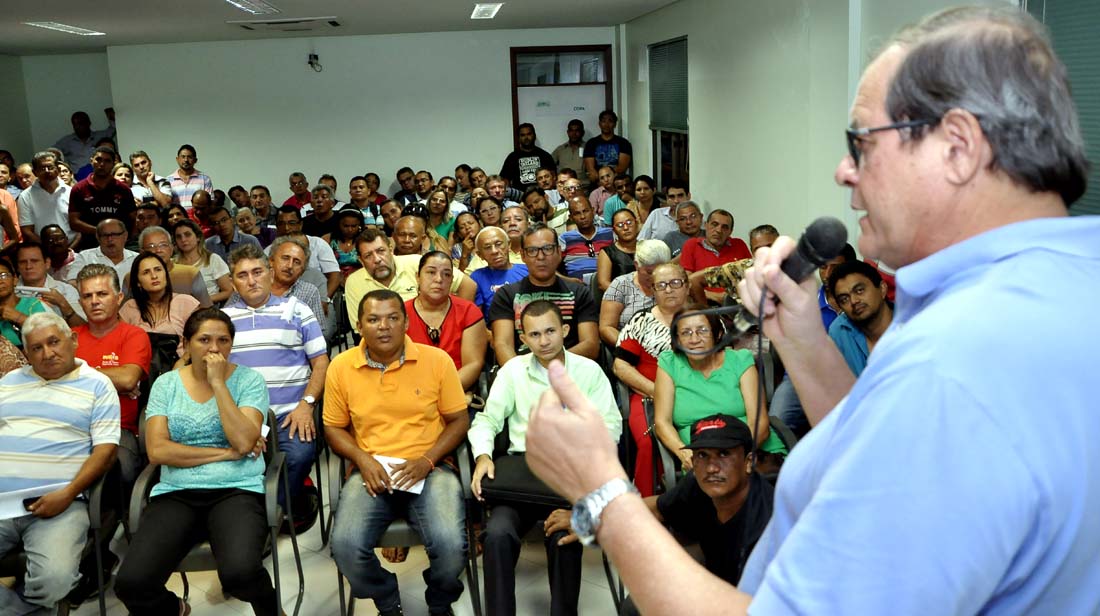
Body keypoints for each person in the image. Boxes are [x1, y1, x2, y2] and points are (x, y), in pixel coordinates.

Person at [523, 8, 1100, 614]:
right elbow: (873, 449)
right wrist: (797, 333)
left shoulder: (954, 366)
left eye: (862, 143)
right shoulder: (1047, 290)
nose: (844, 171)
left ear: (957, 147)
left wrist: (601, 491)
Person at [114, 308, 278, 616]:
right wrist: (225, 453)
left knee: (240, 574)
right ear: (186, 344)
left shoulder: (249, 380)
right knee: (131, 583)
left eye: (223, 341)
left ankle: (272, 610)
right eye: (204, 340)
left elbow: (244, 441)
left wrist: (219, 384)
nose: (214, 348)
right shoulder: (166, 384)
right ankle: (173, 608)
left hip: (236, 489)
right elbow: (158, 451)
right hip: (177, 492)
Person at [324, 289, 470, 616]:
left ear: (406, 323)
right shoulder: (341, 367)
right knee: (345, 548)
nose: (384, 326)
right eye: (373, 319)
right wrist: (362, 459)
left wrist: (427, 460)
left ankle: (440, 602)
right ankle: (387, 601)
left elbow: (459, 420)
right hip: (372, 471)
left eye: (393, 318)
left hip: (430, 468)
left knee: (451, 545)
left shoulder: (437, 361)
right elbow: (333, 428)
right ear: (359, 325)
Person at [470, 300, 620, 616]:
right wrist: (483, 455)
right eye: (535, 334)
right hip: (521, 477)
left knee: (565, 535)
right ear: (523, 339)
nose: (544, 341)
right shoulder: (513, 371)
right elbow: (487, 420)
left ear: (565, 330)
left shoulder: (588, 371)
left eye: (550, 331)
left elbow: (610, 426)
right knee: (497, 534)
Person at [0, 312, 119, 615]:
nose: (47, 353)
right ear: (27, 354)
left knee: (54, 580)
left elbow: (105, 451)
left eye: (54, 342)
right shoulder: (10, 382)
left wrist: (68, 493)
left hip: (61, 504)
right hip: (2, 501)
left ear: (73, 340)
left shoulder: (98, 385)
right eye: (36, 348)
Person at [623, 414, 773, 614]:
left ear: (749, 462)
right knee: (636, 605)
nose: (711, 467)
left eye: (723, 454)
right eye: (702, 455)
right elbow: (657, 508)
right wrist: (602, 514)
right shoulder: (698, 484)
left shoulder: (768, 521)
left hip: (752, 603)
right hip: (715, 580)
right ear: (693, 462)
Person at [222, 244, 328, 511]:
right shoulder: (223, 321)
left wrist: (307, 404)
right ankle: (254, 512)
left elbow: (321, 362)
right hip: (242, 417)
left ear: (270, 274)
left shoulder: (298, 310)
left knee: (299, 457)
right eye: (242, 275)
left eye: (257, 272)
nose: (251, 281)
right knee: (232, 464)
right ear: (233, 284)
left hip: (290, 416)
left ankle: (272, 513)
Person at [654, 309, 786, 474]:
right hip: (701, 459)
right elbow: (662, 422)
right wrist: (683, 452)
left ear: (717, 334)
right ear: (677, 339)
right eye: (686, 332)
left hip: (755, 453)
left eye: (703, 331)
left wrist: (734, 458)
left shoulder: (739, 361)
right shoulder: (670, 363)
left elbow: (759, 422)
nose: (694, 339)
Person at [613, 262, 691, 496]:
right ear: (653, 291)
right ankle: (648, 503)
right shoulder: (641, 321)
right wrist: (657, 391)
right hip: (649, 396)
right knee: (649, 443)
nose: (669, 289)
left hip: (696, 395)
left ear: (687, 286)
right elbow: (620, 365)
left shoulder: (703, 319)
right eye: (661, 285)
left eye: (675, 283)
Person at [74, 263, 151, 496]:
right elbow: (51, 379)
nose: (94, 301)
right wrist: (109, 378)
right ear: (80, 302)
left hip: (117, 430)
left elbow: (127, 379)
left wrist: (74, 372)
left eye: (102, 294)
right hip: (71, 426)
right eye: (87, 296)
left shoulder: (134, 335)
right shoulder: (69, 337)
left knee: (120, 471)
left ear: (118, 298)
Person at [489, 224, 600, 365]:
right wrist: (524, 373)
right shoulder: (506, 295)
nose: (540, 257)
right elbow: (503, 345)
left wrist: (550, 365)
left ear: (558, 252)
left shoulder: (579, 292)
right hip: (523, 373)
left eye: (547, 249)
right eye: (532, 251)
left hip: (570, 370)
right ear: (523, 255)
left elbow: (590, 345)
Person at [344, 227, 476, 317]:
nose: (377, 259)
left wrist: (455, 320)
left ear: (391, 249)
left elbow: (468, 285)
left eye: (381, 251)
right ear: (361, 260)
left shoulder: (417, 262)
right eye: (368, 255)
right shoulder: (354, 282)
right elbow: (361, 331)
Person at [405, 251, 486, 392]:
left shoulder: (468, 311)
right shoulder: (400, 314)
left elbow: (473, 364)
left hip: (457, 390)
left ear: (452, 280)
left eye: (446, 274)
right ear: (418, 277)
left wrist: (441, 394)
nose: (439, 279)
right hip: (410, 392)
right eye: (431, 272)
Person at [120, 251, 201, 359]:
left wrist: (181, 363)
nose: (154, 276)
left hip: (180, 364)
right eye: (146, 272)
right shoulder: (129, 307)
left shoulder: (187, 303)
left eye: (158, 270)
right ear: (138, 282)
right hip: (139, 364)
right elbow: (121, 344)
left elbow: (199, 343)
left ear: (166, 275)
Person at [826, 260, 894, 377]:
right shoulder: (840, 332)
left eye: (859, 290)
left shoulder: (914, 321)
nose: (853, 301)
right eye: (844, 299)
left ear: (882, 288)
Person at [598, 239, 667, 347]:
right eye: (649, 272)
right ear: (636, 265)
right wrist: (631, 349)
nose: (654, 277)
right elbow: (606, 328)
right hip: (629, 347)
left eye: (660, 271)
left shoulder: (672, 285)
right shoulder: (621, 284)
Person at [270, 206, 342, 300]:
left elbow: (334, 275)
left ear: (301, 224)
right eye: (281, 224)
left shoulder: (318, 244)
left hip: (317, 296)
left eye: (292, 223)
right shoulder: (270, 250)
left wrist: (324, 300)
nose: (286, 228)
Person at [134, 226, 214, 308]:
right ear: (142, 252)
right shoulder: (133, 277)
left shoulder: (190, 273)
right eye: (151, 246)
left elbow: (206, 308)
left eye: (163, 245)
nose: (158, 250)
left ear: (171, 248)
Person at [682, 210, 752, 302]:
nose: (719, 230)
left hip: (737, 303)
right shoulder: (692, 245)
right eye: (714, 224)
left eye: (725, 227)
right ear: (706, 225)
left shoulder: (739, 245)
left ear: (730, 232)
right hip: (704, 303)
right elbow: (688, 283)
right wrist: (717, 297)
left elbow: (751, 278)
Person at [14, 240, 84, 327]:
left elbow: (82, 328)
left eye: (34, 261)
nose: (28, 266)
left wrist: (63, 304)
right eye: (23, 262)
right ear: (17, 267)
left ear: (47, 263)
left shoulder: (66, 290)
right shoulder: (10, 293)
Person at [17, 151, 76, 246]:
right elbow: (27, 231)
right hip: (42, 249)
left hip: (73, 247)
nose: (47, 171)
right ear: (35, 172)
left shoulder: (72, 192)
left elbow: (79, 227)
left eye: (50, 167)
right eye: (42, 168)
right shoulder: (26, 196)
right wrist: (49, 249)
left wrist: (70, 249)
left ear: (58, 169)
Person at [469, 226, 529, 319]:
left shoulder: (527, 270)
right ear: (480, 255)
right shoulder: (476, 277)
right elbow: (476, 318)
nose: (494, 251)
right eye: (487, 247)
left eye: (498, 244)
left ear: (509, 245)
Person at [173, 219, 233, 305]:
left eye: (187, 235)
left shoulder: (213, 259)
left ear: (198, 237)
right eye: (179, 237)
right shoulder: (173, 264)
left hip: (209, 307)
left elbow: (228, 291)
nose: (183, 239)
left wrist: (203, 301)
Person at [69, 218, 138, 286]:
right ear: (98, 238)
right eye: (105, 235)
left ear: (125, 236)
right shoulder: (84, 257)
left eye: (114, 234)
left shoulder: (136, 258)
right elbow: (72, 282)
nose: (110, 239)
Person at [558, 195, 613, 280]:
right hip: (576, 286)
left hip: (608, 283)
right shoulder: (564, 239)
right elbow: (550, 266)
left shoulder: (609, 234)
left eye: (586, 211)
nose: (583, 216)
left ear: (593, 211)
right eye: (577, 213)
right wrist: (568, 281)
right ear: (571, 218)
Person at [0, 257, 48, 348]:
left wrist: (20, 318)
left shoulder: (32, 304)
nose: (0, 281)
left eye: (3, 275)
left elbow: (49, 333)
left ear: (15, 279)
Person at [500, 123, 556, 190]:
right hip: (520, 195)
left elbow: (553, 177)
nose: (526, 137)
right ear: (519, 138)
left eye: (529, 134)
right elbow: (504, 179)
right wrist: (510, 193)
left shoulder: (545, 156)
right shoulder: (512, 157)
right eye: (522, 135)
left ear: (534, 136)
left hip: (542, 194)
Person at [583, 109, 632, 184]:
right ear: (599, 124)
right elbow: (590, 169)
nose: (606, 124)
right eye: (603, 121)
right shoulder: (591, 143)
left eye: (610, 121)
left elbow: (621, 168)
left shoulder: (624, 143)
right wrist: (601, 181)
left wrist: (608, 181)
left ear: (615, 124)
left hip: (616, 182)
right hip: (597, 182)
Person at [596, 208, 639, 292]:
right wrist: (630, 294)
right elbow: (603, 283)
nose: (626, 228)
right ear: (614, 230)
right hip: (619, 297)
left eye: (629, 222)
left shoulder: (647, 247)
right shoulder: (607, 252)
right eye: (620, 225)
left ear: (636, 223)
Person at [166, 145, 213, 211]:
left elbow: (210, 203)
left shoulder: (205, 179)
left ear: (195, 160)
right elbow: (166, 204)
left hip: (198, 217)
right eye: (183, 157)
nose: (186, 160)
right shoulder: (168, 180)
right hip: (177, 217)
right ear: (177, 159)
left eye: (189, 157)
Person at [325, 207, 365, 278]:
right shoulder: (328, 239)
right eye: (345, 226)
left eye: (354, 226)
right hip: (333, 279)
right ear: (338, 224)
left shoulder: (365, 240)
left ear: (360, 225)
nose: (350, 229)